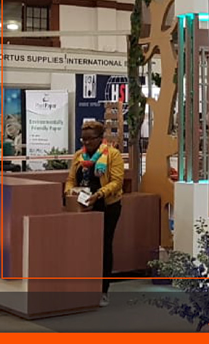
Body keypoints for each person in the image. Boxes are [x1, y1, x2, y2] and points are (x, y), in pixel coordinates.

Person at [64, 120, 123, 306]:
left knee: (104, 246)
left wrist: (99, 194)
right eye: (84, 139)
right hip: (82, 206)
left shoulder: (112, 155)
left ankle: (103, 290)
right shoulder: (78, 156)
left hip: (106, 205)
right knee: (83, 247)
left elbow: (117, 182)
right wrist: (70, 192)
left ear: (100, 138)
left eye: (90, 139)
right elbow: (71, 179)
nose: (87, 142)